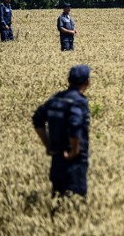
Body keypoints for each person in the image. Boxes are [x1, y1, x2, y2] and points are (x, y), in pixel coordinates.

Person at [32, 65, 92, 197]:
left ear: (68, 80)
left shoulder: (56, 98)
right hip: (74, 161)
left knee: (57, 198)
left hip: (57, 157)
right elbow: (74, 126)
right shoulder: (78, 102)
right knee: (75, 201)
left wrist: (48, 145)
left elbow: (37, 119)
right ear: (87, 82)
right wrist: (74, 151)